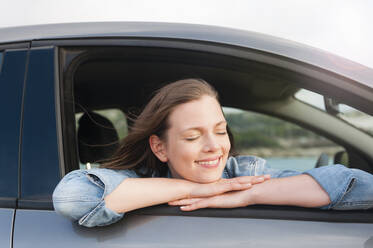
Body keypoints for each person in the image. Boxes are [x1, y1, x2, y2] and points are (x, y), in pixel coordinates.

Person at [53, 78, 373, 227]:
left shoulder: (243, 173)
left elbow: (357, 185)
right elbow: (74, 198)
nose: (214, 147)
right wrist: (196, 188)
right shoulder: (138, 183)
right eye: (193, 136)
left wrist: (247, 196)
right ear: (159, 147)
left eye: (220, 131)